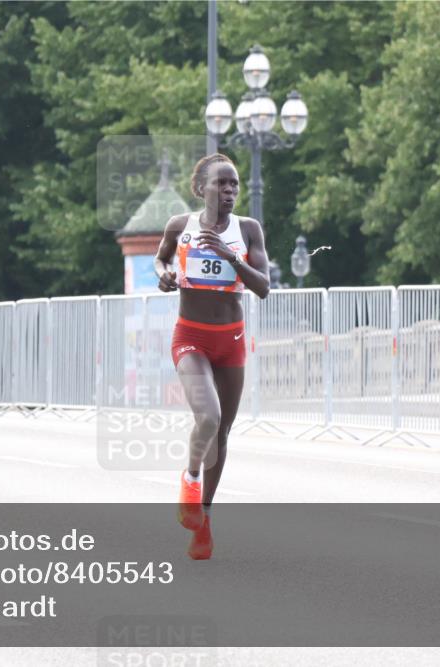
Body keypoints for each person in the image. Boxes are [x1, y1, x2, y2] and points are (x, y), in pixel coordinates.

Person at [153, 154, 270, 560]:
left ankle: (203, 521)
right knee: (208, 417)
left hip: (231, 340)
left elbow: (264, 287)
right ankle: (189, 478)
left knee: (221, 434)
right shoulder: (180, 226)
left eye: (235, 184)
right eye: (222, 184)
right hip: (191, 337)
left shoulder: (248, 230)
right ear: (201, 188)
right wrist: (163, 274)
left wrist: (230, 256)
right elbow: (162, 257)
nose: (230, 191)